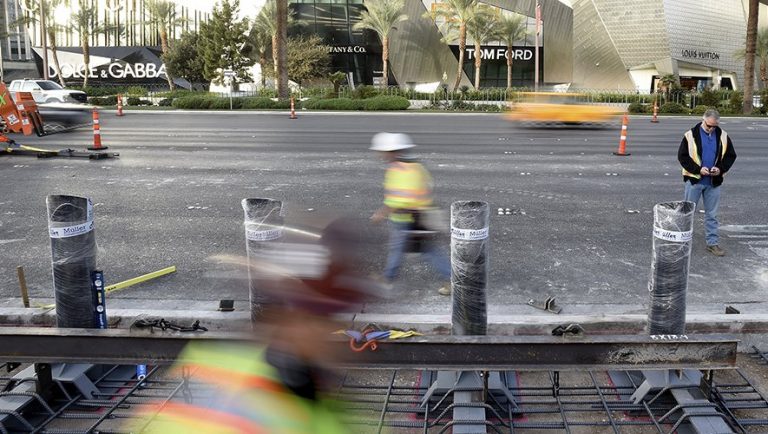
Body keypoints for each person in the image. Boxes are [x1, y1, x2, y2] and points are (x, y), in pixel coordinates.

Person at [369, 132, 451, 295]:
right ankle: (388, 278)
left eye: (383, 151)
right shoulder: (414, 166)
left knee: (427, 250)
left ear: (393, 152)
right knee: (408, 249)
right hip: (414, 217)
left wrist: (381, 213)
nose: (380, 154)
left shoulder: (402, 170)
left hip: (410, 218)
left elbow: (401, 200)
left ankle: (454, 279)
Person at [677, 108, 737, 256]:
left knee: (712, 215)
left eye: (714, 126)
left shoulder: (722, 136)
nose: (711, 129)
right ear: (703, 120)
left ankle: (712, 244)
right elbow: (682, 157)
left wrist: (720, 169)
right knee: (687, 213)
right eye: (708, 125)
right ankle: (682, 243)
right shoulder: (690, 135)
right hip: (695, 181)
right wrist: (698, 170)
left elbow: (731, 155)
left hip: (713, 182)